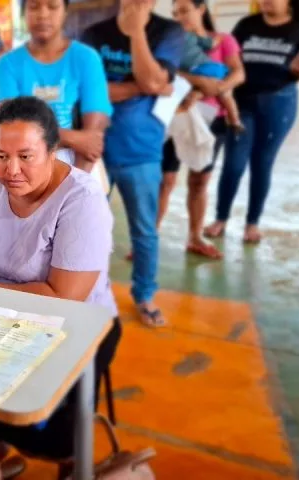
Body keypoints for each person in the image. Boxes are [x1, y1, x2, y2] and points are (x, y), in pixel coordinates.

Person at [0, 96, 121, 473]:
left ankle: (70, 458)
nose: (11, 170)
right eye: (0, 155)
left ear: (53, 150)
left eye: (26, 156)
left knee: (48, 427)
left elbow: (63, 300)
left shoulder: (81, 201)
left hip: (76, 324)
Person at [82, 0, 184, 327]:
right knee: (85, 227)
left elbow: (155, 82)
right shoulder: (94, 33)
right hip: (94, 146)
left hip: (140, 149)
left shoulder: (168, 32)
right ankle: (89, 293)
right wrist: (145, 86)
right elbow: (90, 90)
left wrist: (137, 31)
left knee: (144, 228)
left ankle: (144, 295)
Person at [204, 0, 299, 243]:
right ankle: (221, 218)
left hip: (278, 103)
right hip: (242, 103)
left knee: (262, 163)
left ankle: (252, 223)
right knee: (233, 163)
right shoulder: (246, 25)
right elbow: (228, 58)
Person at [158, 0, 245, 259]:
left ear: (201, 9)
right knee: (165, 180)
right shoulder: (172, 40)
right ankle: (149, 237)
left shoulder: (222, 40)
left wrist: (217, 88)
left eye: (185, 10)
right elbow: (164, 73)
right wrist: (200, 83)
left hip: (212, 118)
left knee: (199, 180)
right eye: (175, 13)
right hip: (177, 115)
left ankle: (195, 237)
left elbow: (238, 73)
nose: (179, 17)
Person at [0, 0, 113, 173]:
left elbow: (91, 140)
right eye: (34, 6)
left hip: (78, 166)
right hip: (21, 169)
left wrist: (74, 185)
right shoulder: (7, 65)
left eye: (52, 6)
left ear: (65, 11)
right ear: (24, 12)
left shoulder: (86, 59)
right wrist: (73, 138)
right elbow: (7, 126)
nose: (43, 14)